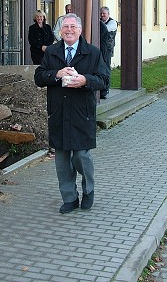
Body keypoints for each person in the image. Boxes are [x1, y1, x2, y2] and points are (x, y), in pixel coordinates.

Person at [34, 13, 109, 214]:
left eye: (72, 27)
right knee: (62, 159)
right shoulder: (52, 52)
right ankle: (69, 198)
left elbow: (103, 79)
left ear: (80, 30)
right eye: (65, 27)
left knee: (81, 155)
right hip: (58, 111)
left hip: (81, 112)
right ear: (60, 31)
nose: (68, 30)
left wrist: (85, 81)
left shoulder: (92, 53)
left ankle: (88, 191)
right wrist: (55, 74)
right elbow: (39, 77)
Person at [100, 6, 118, 98]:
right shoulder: (101, 21)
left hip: (107, 50)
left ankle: (105, 89)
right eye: (101, 13)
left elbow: (105, 29)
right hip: (100, 49)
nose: (102, 15)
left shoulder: (113, 23)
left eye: (104, 13)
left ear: (108, 14)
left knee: (106, 70)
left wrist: (97, 22)